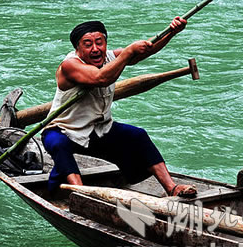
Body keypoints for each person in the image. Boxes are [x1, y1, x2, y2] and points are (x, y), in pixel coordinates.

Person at [41, 18, 197, 197]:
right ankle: (82, 194)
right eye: (88, 44)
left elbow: (145, 50)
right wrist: (128, 52)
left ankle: (172, 188)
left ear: (106, 43)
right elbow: (101, 78)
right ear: (78, 49)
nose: (95, 49)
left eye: (100, 43)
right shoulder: (70, 65)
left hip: (99, 129)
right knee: (59, 145)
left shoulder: (110, 58)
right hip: (63, 130)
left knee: (137, 135)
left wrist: (172, 32)